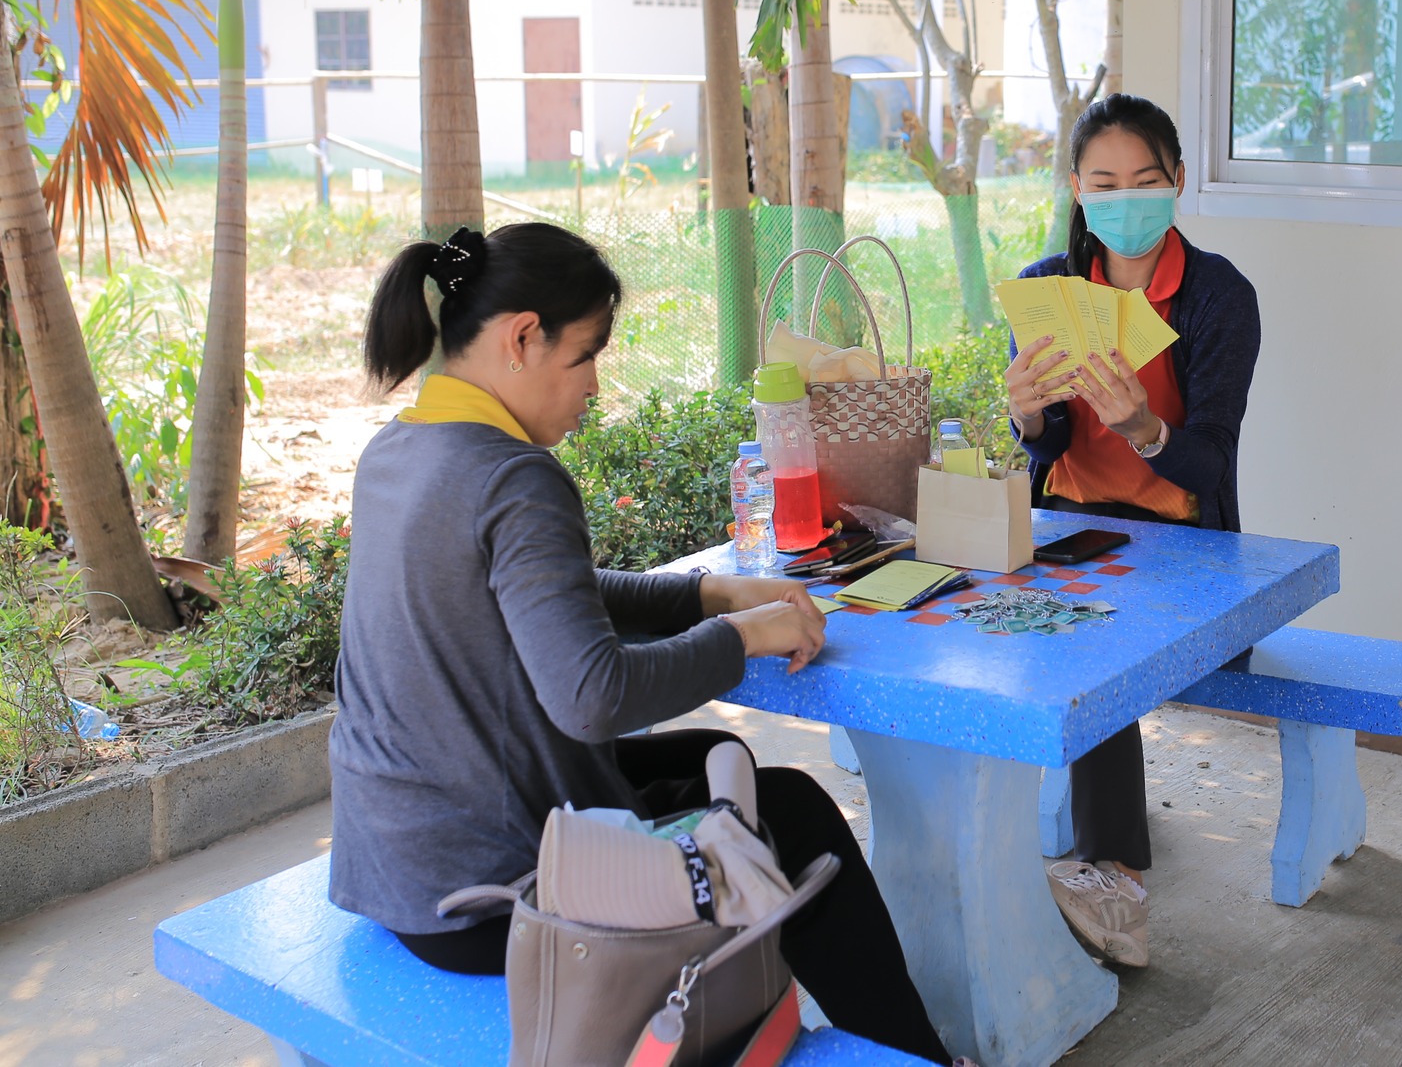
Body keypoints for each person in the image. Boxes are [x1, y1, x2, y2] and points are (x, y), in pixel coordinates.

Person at [327, 223, 954, 1065]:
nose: (595, 385)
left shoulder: (398, 449)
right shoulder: (516, 477)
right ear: (522, 337)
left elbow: (547, 591)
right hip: (501, 894)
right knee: (795, 811)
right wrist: (740, 635)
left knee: (718, 762)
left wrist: (706, 592)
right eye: (586, 354)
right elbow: (593, 697)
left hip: (399, 868)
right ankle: (915, 1055)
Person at [1005, 93, 1261, 969]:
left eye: (1146, 180)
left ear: (1178, 179)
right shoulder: (1047, 287)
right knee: (971, 618)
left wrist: (1145, 427)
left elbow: (1209, 464)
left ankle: (1116, 879)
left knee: (1093, 644)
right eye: (1105, 183)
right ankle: (981, 840)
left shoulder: (1219, 295)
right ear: (1078, 189)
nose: (1126, 200)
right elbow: (1046, 447)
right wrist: (1026, 414)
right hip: (1067, 524)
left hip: (1179, 539)